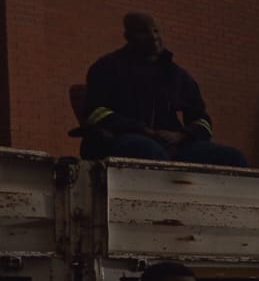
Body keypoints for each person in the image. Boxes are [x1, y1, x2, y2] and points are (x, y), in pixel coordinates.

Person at [80, 13, 248, 166]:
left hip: (175, 145)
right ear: (128, 37)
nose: (153, 37)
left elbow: (202, 120)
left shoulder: (177, 75)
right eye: (143, 32)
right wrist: (142, 130)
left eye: (156, 31)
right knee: (149, 151)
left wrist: (182, 135)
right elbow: (95, 113)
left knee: (233, 157)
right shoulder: (107, 68)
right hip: (122, 140)